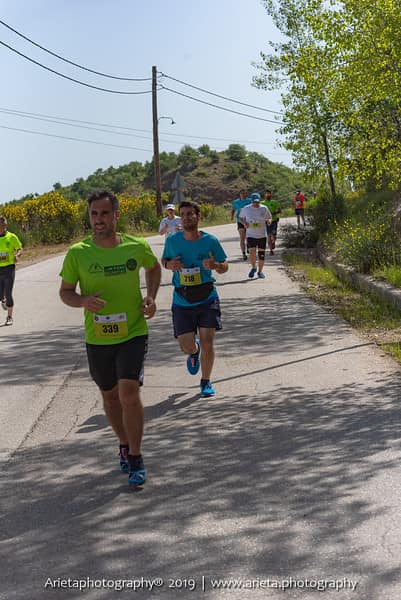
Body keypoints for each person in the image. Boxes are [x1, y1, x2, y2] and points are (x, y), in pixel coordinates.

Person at [59, 190, 161, 488]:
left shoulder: (136, 246)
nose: (99, 219)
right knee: (110, 396)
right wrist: (83, 301)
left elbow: (153, 268)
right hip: (98, 338)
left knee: (129, 393)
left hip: (133, 332)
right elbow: (65, 292)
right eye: (94, 214)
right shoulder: (78, 252)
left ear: (116, 215)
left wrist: (151, 296)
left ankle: (136, 457)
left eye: (104, 213)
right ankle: (124, 443)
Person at [161, 200, 228, 398]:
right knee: (186, 346)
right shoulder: (172, 240)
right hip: (182, 300)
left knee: (208, 341)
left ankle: (205, 381)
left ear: (199, 216)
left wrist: (215, 265)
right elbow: (164, 260)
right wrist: (170, 265)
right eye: (183, 214)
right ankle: (193, 351)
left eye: (190, 213)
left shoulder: (210, 241)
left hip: (207, 297)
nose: (186, 217)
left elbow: (224, 266)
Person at [240, 192, 272, 279]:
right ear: (251, 201)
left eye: (257, 202)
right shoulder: (246, 208)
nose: (256, 204)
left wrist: (269, 221)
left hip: (262, 235)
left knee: (261, 254)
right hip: (251, 235)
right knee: (252, 253)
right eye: (254, 202)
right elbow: (241, 217)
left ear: (260, 201)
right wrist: (244, 223)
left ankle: (260, 271)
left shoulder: (264, 208)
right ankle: (254, 267)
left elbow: (269, 217)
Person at [0, 216, 23, 326]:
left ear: (5, 225)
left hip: (9, 268)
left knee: (8, 293)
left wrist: (17, 255)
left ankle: (9, 317)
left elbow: (20, 248)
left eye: (3, 225)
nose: (1, 227)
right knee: (1, 295)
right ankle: (3, 299)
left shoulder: (12, 237)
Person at [230, 189, 251, 260]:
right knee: (242, 237)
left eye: (244, 193)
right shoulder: (236, 202)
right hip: (240, 221)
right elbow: (233, 209)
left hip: (248, 221)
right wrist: (232, 216)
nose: (243, 194)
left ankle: (248, 246)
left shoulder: (249, 200)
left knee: (248, 236)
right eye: (242, 193)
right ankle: (243, 253)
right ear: (239, 194)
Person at [262, 189, 282, 255]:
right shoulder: (262, 203)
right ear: (264, 195)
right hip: (266, 221)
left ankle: (273, 242)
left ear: (271, 195)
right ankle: (271, 250)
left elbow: (279, 211)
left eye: (269, 194)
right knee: (269, 235)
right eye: (266, 194)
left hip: (274, 221)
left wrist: (274, 213)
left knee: (274, 235)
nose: (268, 195)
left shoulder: (274, 202)